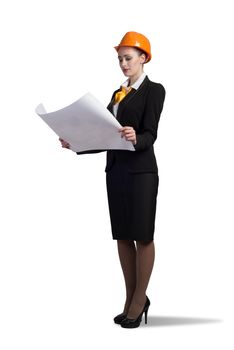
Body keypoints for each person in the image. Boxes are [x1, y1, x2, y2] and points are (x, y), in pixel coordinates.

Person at [59, 31, 166, 328]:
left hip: (142, 171)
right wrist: (76, 143)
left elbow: (151, 134)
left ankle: (138, 299)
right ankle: (131, 298)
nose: (123, 63)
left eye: (128, 57)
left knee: (142, 235)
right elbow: (105, 135)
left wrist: (136, 136)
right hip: (116, 170)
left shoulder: (154, 90)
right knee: (122, 236)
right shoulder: (117, 94)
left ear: (143, 58)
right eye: (120, 58)